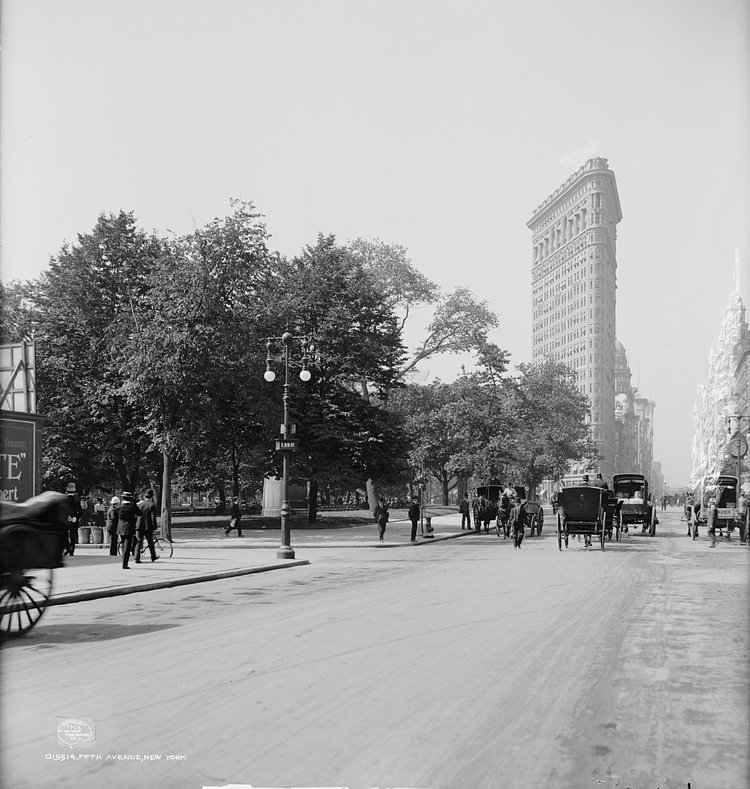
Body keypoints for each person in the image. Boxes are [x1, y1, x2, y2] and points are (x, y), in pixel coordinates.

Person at [134, 488, 159, 563]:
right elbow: (153, 517)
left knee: (139, 542)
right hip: (148, 526)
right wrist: (154, 527)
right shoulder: (151, 505)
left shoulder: (140, 504)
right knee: (150, 542)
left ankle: (137, 557)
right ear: (151, 497)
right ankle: (153, 556)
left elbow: (136, 515)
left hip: (139, 526)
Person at [117, 491, 139, 569]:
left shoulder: (119, 507)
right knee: (127, 546)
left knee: (123, 544)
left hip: (120, 528)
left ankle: (123, 560)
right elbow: (139, 513)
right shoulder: (132, 507)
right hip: (129, 527)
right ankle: (125, 563)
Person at [64, 482, 81, 556]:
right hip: (74, 520)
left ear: (67, 491)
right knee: (73, 536)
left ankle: (68, 548)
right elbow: (80, 512)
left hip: (66, 520)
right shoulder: (77, 500)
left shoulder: (64, 499)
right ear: (74, 491)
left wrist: (67, 516)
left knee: (64, 535)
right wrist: (75, 517)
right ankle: (72, 550)